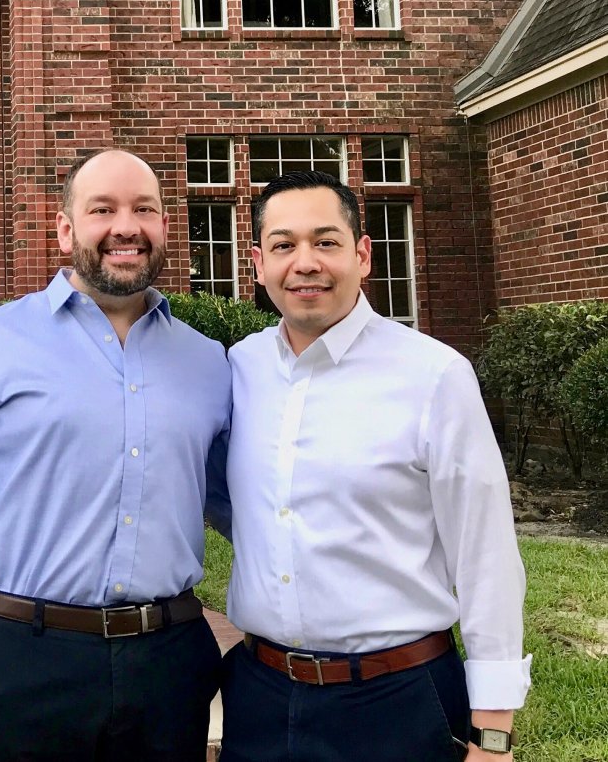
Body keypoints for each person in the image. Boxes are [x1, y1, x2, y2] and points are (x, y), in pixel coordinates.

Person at [0, 149, 232, 762]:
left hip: (171, 661)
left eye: (144, 209)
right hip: (26, 660)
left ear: (164, 227)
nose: (125, 226)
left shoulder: (209, 361)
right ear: (65, 231)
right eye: (102, 209)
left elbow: (236, 505)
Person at [221, 170, 531, 762]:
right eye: (284, 245)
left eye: (327, 241)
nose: (305, 262)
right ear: (258, 263)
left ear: (363, 255)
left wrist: (492, 736)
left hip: (398, 700)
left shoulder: (434, 376)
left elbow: (486, 556)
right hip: (259, 697)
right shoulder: (240, 370)